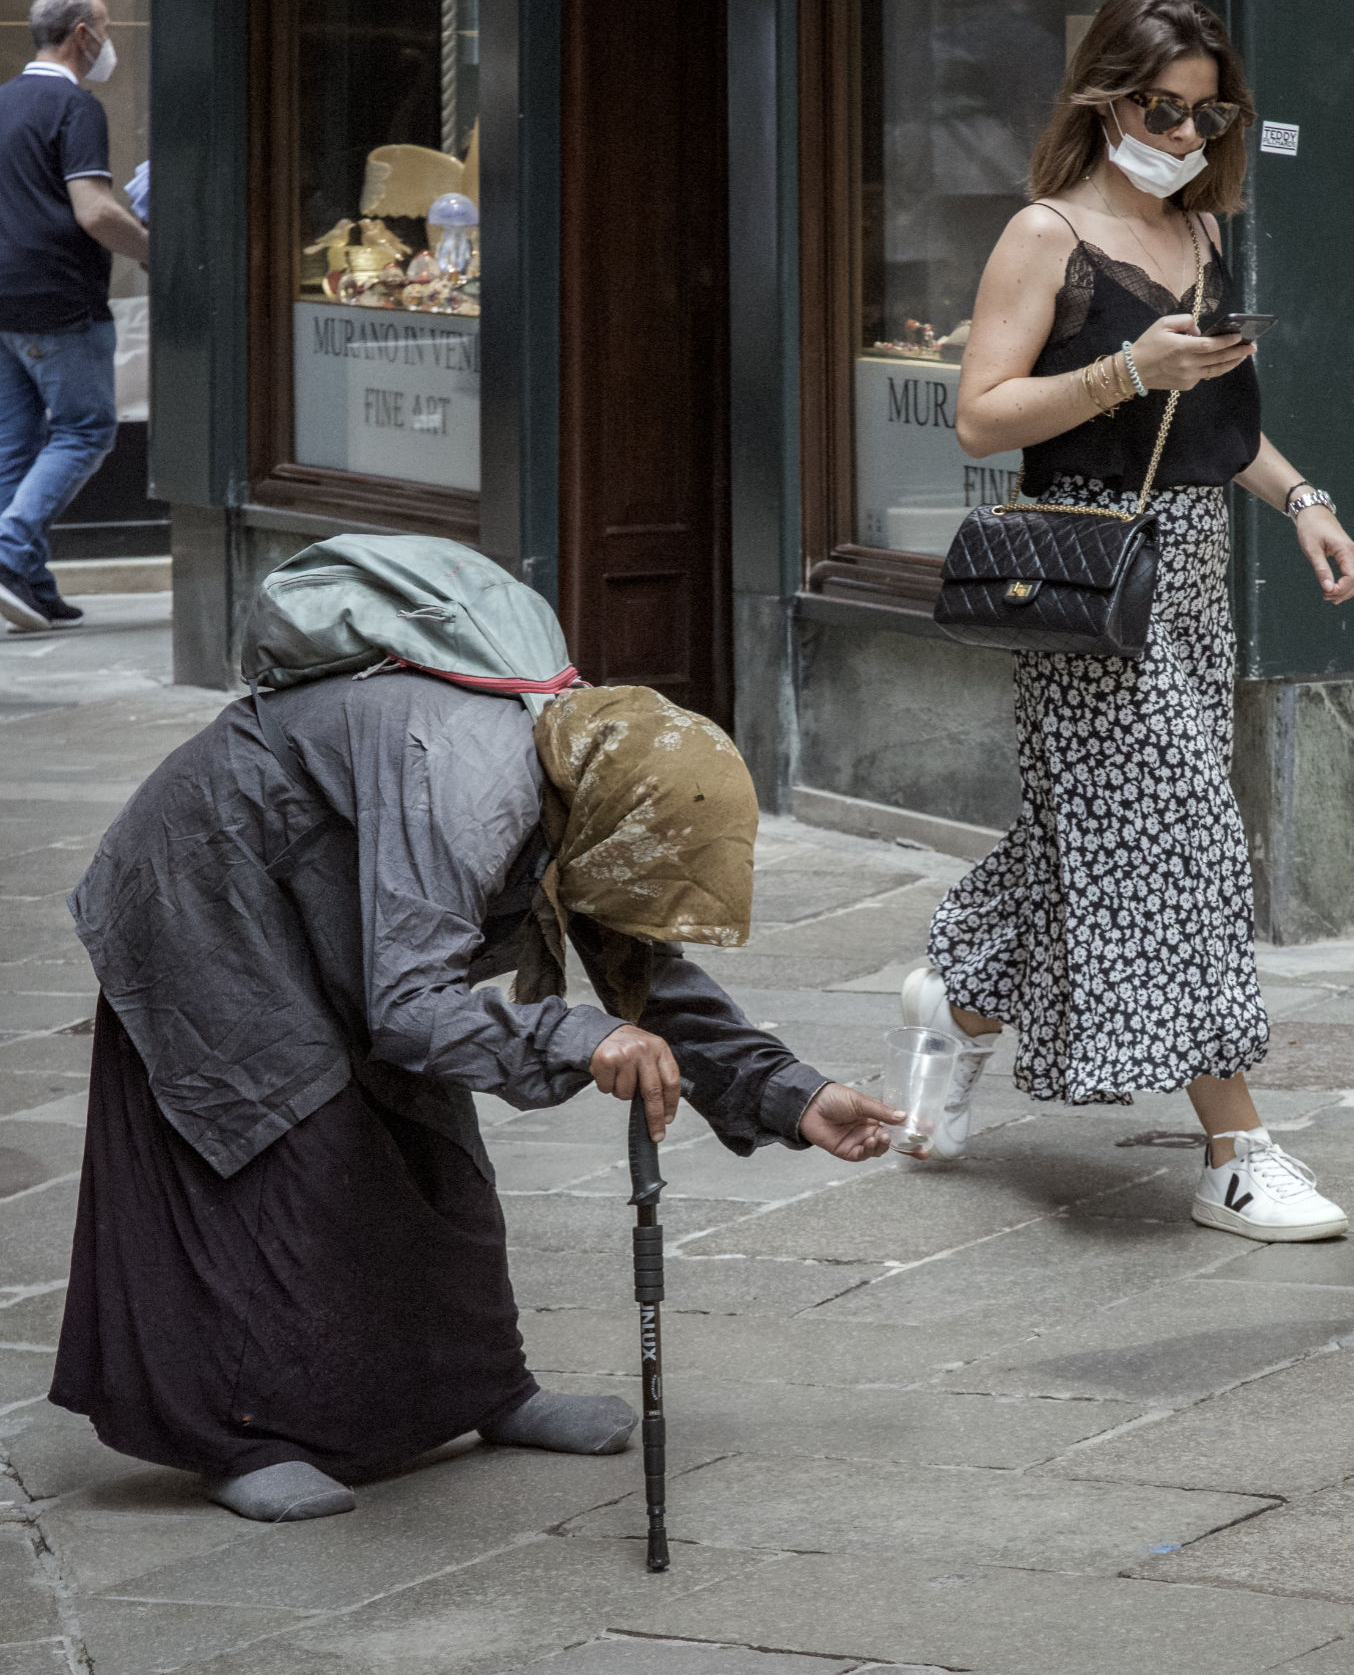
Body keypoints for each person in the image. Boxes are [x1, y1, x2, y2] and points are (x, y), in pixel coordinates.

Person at [53, 622, 904, 1524]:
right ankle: (241, 1433)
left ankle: (482, 1390)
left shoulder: (592, 786)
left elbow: (638, 969)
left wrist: (794, 1093)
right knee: (292, 1143)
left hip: (345, 887)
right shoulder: (468, 790)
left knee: (435, 1144)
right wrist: (579, 1039)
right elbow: (412, 1011)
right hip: (209, 885)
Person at [902, 0, 1354, 1242]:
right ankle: (1237, 1146)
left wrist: (1302, 497)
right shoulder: (1043, 234)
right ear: (1108, 97)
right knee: (1187, 846)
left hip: (1194, 569)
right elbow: (982, 415)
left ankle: (961, 1007)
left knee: (1094, 841)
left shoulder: (1199, 238)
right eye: (1169, 108)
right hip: (1087, 574)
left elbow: (1220, 422)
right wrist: (1120, 367)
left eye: (1213, 116)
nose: (1191, 135)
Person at [0, 0, 149, 634]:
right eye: (107, 27)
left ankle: (29, 584)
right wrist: (153, 250)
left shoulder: (3, 101)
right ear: (83, 35)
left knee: (15, 444)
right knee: (86, 430)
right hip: (60, 298)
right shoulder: (75, 107)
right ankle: (8, 557)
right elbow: (95, 212)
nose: (109, 41)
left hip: (4, 302)